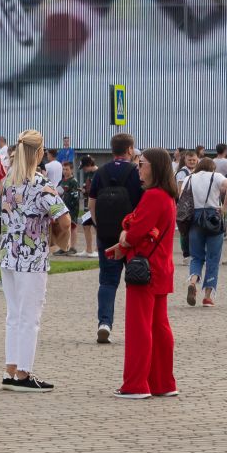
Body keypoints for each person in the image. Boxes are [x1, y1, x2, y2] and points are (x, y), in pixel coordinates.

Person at [106, 147, 179, 400]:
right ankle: (163, 383)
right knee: (159, 327)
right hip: (160, 268)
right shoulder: (167, 196)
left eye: (142, 164)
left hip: (144, 271)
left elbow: (135, 230)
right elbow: (138, 226)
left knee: (139, 329)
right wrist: (128, 232)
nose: (139, 169)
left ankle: (136, 384)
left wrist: (126, 234)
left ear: (155, 167)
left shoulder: (153, 196)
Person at [0, 130, 66, 391]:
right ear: (38, 153)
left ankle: (11, 369)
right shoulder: (40, 184)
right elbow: (63, 216)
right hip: (32, 256)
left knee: (14, 315)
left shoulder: (8, 182)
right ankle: (24, 374)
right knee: (30, 317)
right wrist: (61, 242)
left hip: (9, 254)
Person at [86, 133, 143, 345]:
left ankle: (104, 323)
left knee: (108, 281)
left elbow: (92, 203)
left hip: (106, 235)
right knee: (136, 282)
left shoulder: (100, 172)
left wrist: (99, 224)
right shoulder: (136, 173)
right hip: (131, 237)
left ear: (112, 150)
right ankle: (136, 328)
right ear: (129, 150)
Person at [182, 151, 227, 308]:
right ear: (212, 167)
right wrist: (224, 207)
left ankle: (193, 282)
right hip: (212, 217)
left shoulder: (188, 178)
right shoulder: (215, 176)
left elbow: (181, 196)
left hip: (194, 219)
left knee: (196, 256)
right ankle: (207, 297)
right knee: (213, 258)